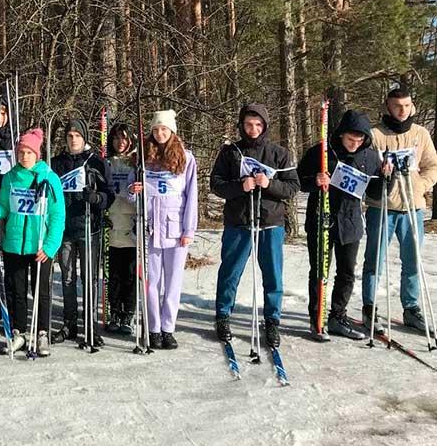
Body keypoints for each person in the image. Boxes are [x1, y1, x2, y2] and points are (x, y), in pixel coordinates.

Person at [210, 103, 300, 348]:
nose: (253, 129)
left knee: (273, 275)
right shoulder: (230, 152)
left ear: (265, 126)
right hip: (239, 221)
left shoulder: (278, 153)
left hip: (270, 223)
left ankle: (272, 320)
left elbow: (292, 187)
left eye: (258, 124)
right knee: (231, 271)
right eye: (248, 124)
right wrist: (241, 186)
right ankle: (223, 315)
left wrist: (269, 184)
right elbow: (216, 184)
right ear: (241, 125)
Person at [298, 109, 392, 341]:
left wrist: (388, 177)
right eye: (351, 139)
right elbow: (298, 181)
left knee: (347, 273)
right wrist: (315, 181)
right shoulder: (320, 153)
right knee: (320, 271)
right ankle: (316, 317)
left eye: (360, 140)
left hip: (350, 223)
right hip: (321, 219)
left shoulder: (369, 157)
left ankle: (337, 315)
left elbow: (377, 193)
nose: (355, 144)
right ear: (341, 135)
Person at [362, 88, 437, 334]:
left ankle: (411, 307)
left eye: (406, 105)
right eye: (397, 106)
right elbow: (363, 167)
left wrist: (420, 186)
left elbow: (432, 166)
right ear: (388, 107)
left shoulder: (420, 134)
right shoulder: (375, 135)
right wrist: (378, 175)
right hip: (381, 207)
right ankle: (370, 307)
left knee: (412, 260)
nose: (402, 110)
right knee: (375, 259)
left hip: (412, 207)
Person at [0, 127, 64, 356]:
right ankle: (17, 331)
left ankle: (42, 332)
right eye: (21, 153)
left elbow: (57, 216)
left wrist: (50, 246)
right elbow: (4, 208)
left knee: (41, 291)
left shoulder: (49, 178)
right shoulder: (10, 177)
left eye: (29, 152)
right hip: (14, 244)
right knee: (16, 291)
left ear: (37, 154)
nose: (24, 157)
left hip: (39, 247)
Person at [128, 111, 197, 349]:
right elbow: (129, 193)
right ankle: (153, 327)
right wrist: (133, 190)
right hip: (149, 228)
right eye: (156, 130)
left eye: (164, 130)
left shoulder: (186, 159)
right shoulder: (143, 158)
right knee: (150, 281)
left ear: (172, 131)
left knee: (173, 281)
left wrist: (189, 229)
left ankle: (168, 328)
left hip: (175, 229)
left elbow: (191, 196)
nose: (159, 134)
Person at [50, 118, 113, 345]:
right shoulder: (57, 163)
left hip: (89, 227)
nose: (73, 139)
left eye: (77, 135)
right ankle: (69, 323)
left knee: (89, 279)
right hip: (64, 229)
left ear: (84, 137)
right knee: (67, 278)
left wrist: (97, 198)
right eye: (70, 136)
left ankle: (90, 326)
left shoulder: (96, 162)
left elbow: (110, 194)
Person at [104, 123, 137, 335]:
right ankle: (114, 310)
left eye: (124, 138)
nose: (120, 143)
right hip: (113, 222)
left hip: (131, 224)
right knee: (114, 273)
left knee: (131, 274)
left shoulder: (136, 163)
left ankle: (129, 313)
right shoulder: (106, 162)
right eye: (116, 138)